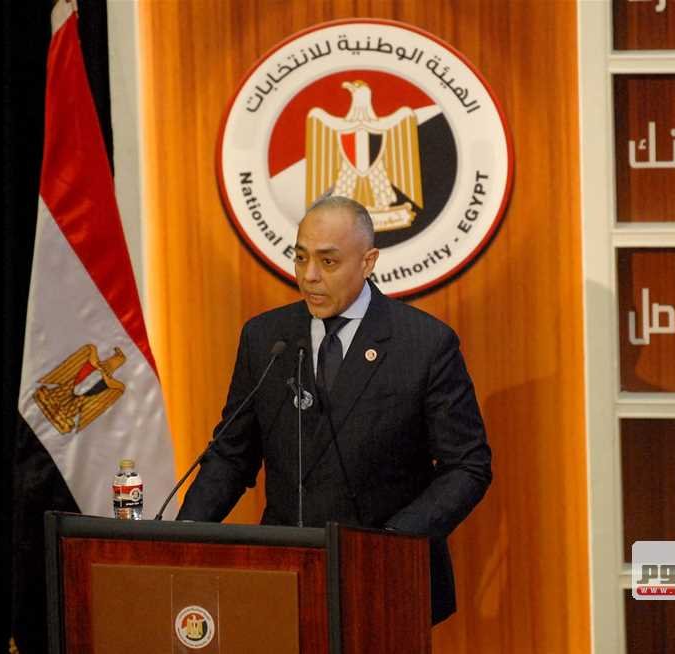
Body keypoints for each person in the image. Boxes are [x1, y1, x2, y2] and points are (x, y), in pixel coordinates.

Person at [178, 195, 492, 624]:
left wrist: (394, 540)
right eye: (300, 257)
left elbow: (467, 465)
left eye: (328, 262)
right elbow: (232, 455)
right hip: (285, 576)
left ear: (368, 262)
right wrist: (181, 537)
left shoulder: (423, 344)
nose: (309, 276)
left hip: (385, 578)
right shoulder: (266, 338)